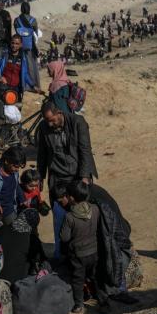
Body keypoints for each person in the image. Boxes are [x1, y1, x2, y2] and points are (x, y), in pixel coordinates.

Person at [36, 100, 98, 260]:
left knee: (81, 218)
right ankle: (61, 255)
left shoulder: (78, 123)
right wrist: (40, 176)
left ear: (59, 113)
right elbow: (42, 154)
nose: (50, 124)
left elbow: (85, 151)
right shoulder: (43, 128)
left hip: (77, 177)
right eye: (47, 121)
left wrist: (84, 179)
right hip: (57, 179)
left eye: (52, 120)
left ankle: (83, 254)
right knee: (60, 219)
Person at [58, 181, 109, 314]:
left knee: (78, 279)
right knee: (95, 277)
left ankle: (79, 305)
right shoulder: (95, 209)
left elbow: (64, 238)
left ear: (72, 198)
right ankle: (103, 302)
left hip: (78, 255)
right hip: (94, 251)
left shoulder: (69, 217)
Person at [0, 146, 26, 229]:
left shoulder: (14, 173)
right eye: (15, 166)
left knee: (15, 231)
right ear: (6, 161)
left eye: (19, 167)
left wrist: (22, 198)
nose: (17, 169)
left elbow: (16, 186)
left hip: (9, 209)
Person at [0, 34, 36, 99]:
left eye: (17, 44)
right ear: (10, 43)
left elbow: (25, 74)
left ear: (21, 45)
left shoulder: (23, 58)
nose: (14, 46)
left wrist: (32, 85)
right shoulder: (2, 52)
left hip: (16, 90)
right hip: (1, 87)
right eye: (13, 43)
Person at [13, 1, 41, 89]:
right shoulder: (33, 20)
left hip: (19, 45)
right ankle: (32, 84)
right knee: (32, 65)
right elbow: (36, 34)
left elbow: (17, 30)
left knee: (20, 64)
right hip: (30, 46)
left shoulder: (17, 20)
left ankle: (22, 84)